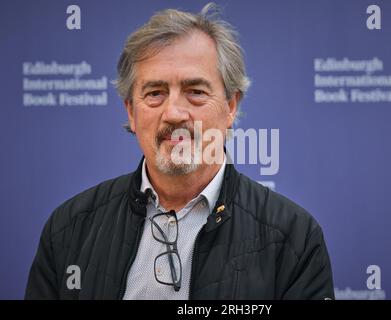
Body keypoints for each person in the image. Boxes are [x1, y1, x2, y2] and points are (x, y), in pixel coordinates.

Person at [25, 3, 334, 300]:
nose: (174, 113)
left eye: (195, 92)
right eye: (155, 93)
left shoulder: (295, 239)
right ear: (131, 112)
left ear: (230, 106)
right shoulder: (68, 229)